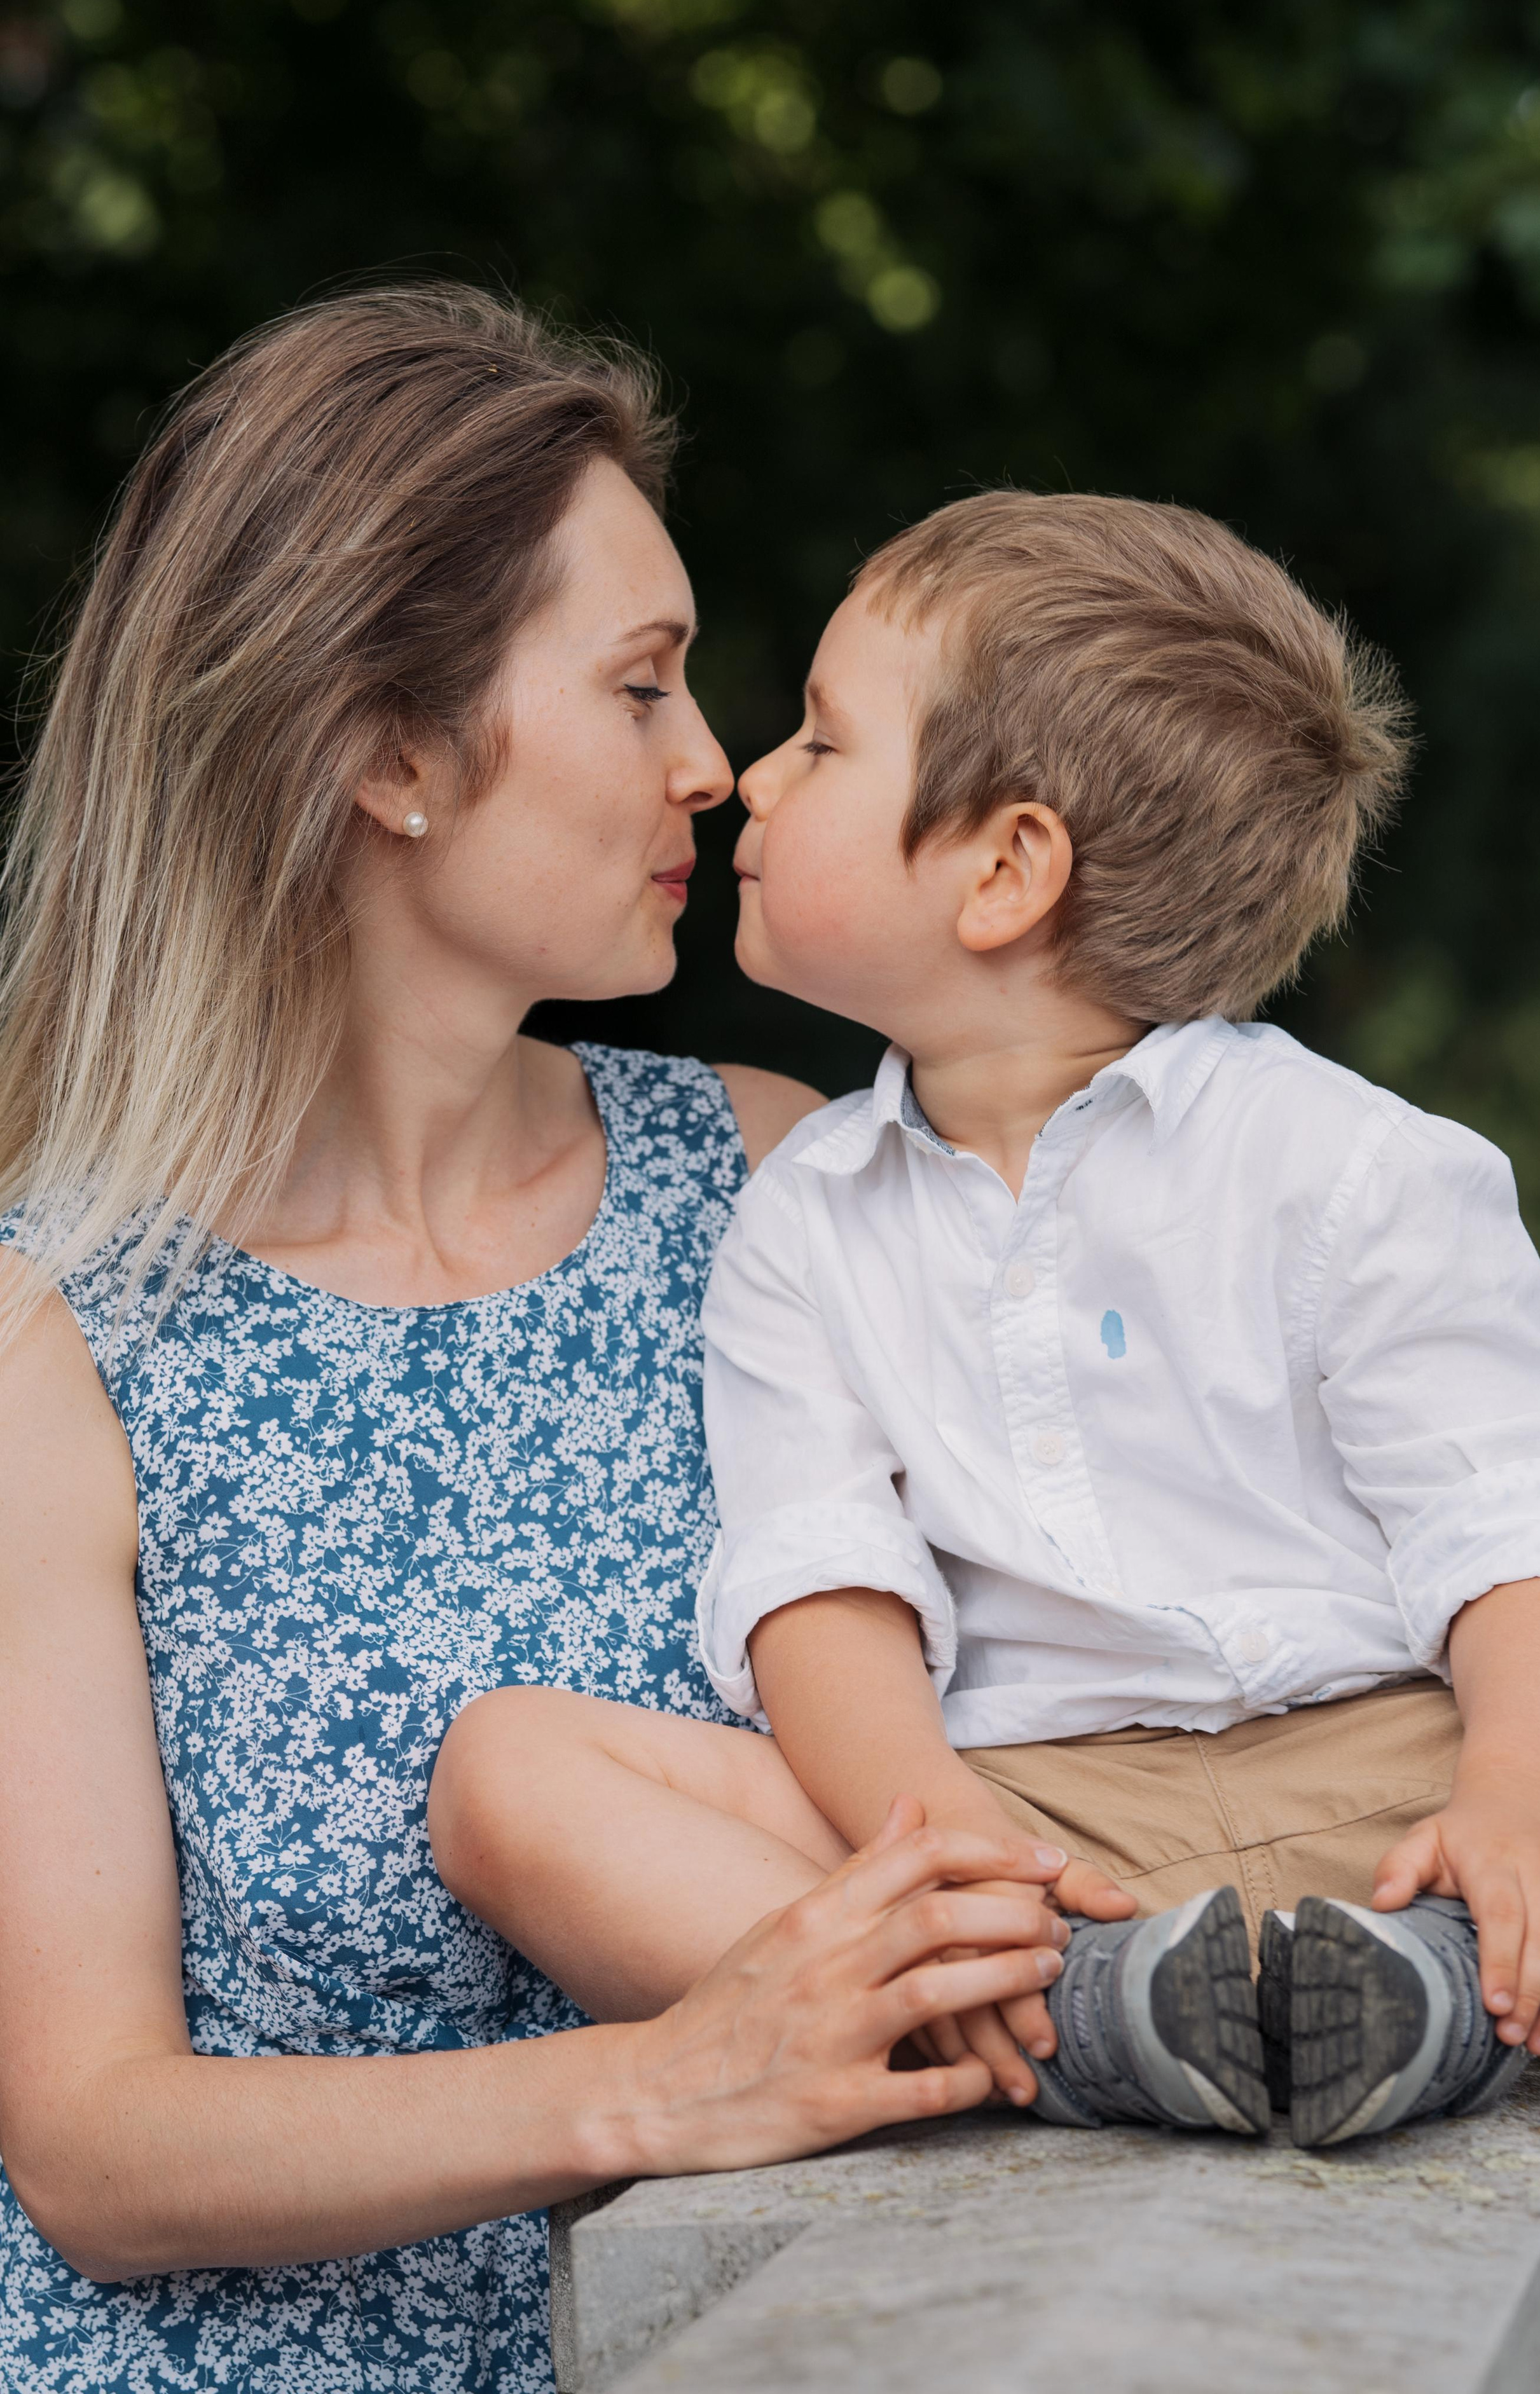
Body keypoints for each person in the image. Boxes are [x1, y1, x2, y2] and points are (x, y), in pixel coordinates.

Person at [0, 287, 1080, 2394]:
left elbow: (1172, 1599)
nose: (717, 763)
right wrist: (663, 2085)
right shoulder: (54, 1338)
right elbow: (95, 2143)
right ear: (390, 751)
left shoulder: (782, 1191)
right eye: (643, 683)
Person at [431, 487, 1540, 2155]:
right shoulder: (806, 1218)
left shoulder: (1354, 1167)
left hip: (1413, 1753)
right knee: (513, 1779)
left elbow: (1511, 1520)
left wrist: (1516, 1807)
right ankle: (1083, 2008)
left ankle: (1480, 1961)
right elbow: (821, 1587)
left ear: (1005, 870)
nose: (747, 778)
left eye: (823, 744)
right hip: (1050, 1822)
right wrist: (951, 1841)